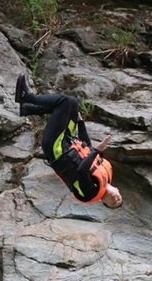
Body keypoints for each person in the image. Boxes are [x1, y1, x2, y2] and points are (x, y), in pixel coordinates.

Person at [15, 74, 123, 208]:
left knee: (64, 102)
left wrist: (97, 151)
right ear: (118, 190)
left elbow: (82, 170)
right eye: (118, 199)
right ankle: (27, 108)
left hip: (56, 148)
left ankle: (27, 97)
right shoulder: (106, 173)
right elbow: (87, 148)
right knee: (72, 103)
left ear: (103, 202)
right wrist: (81, 123)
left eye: (112, 203)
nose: (115, 199)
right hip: (68, 140)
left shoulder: (90, 193)